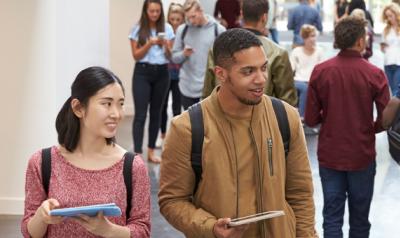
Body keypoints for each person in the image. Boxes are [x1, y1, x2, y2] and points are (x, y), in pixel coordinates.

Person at [159, 28, 316, 238]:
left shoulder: (285, 117)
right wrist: (210, 227)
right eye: (248, 71)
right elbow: (172, 200)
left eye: (263, 68)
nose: (261, 79)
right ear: (221, 74)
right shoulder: (187, 128)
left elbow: (301, 194)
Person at [21, 67, 151, 238]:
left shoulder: (133, 166)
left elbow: (143, 231)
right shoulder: (42, 162)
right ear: (78, 108)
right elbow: (29, 232)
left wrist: (108, 230)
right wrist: (41, 217)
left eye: (120, 104)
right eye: (106, 104)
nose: (117, 114)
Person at [304, 17, 390, 238]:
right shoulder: (375, 74)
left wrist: (331, 115)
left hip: (330, 154)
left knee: (331, 217)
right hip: (361, 154)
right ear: (361, 41)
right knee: (360, 220)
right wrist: (371, 128)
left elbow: (311, 119)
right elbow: (386, 118)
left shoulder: (320, 71)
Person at [203, 0, 298, 107]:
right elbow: (287, 101)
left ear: (242, 14)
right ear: (264, 17)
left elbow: (207, 93)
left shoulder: (218, 48)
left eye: (263, 68)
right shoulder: (278, 53)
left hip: (221, 118)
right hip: (262, 120)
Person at [129, 0, 174, 163]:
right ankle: (137, 154)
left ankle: (151, 152)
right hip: (142, 72)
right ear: (145, 11)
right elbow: (136, 56)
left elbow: (170, 57)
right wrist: (149, 43)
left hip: (162, 73)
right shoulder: (137, 29)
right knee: (140, 115)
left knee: (156, 113)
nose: (154, 14)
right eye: (151, 11)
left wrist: (166, 46)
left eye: (157, 11)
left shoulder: (167, 29)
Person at [171, 0, 225, 110]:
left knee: (209, 125)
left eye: (193, 16)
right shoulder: (183, 30)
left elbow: (226, 60)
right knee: (191, 125)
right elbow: (175, 58)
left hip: (210, 88)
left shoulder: (218, 30)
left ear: (201, 11)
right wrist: (183, 54)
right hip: (187, 87)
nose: (191, 21)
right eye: (188, 18)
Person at [158, 3, 185, 147]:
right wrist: (166, 48)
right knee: (162, 106)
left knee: (176, 107)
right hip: (165, 74)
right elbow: (163, 56)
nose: (175, 22)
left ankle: (175, 137)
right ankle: (162, 135)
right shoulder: (165, 34)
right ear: (169, 18)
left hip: (180, 75)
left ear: (182, 19)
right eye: (172, 19)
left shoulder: (185, 34)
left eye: (178, 19)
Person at [289, 24, 323, 121]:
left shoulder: (319, 51)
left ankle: (303, 116)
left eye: (314, 36)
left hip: (314, 81)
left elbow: (322, 70)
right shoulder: (296, 51)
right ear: (304, 38)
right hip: (298, 81)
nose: (313, 39)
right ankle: (302, 116)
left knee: (308, 88)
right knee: (305, 88)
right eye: (310, 36)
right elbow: (290, 68)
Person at [381, 3, 400, 96]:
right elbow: (383, 48)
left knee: (397, 92)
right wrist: (383, 47)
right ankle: (396, 111)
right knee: (393, 91)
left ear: (396, 14)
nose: (388, 19)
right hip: (388, 63)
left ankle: (395, 111)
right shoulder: (386, 30)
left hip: (399, 63)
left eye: (390, 16)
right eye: (387, 16)